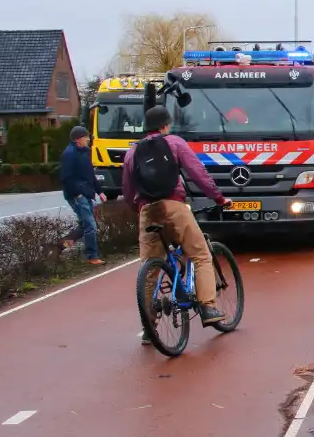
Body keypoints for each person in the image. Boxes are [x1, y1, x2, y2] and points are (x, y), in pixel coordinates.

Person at [123, 106, 232, 334]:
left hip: (147, 211)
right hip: (173, 205)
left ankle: (149, 327)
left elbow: (127, 190)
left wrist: (141, 209)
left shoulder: (132, 152)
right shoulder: (174, 142)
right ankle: (208, 307)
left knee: (150, 268)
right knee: (200, 254)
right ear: (165, 125)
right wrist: (219, 198)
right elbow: (197, 173)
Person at [60, 126, 107, 265]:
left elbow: (90, 176)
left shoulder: (84, 153)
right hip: (78, 196)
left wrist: (100, 191)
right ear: (78, 139)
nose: (88, 139)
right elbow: (66, 178)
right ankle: (92, 256)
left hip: (86, 193)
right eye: (86, 137)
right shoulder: (69, 154)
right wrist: (78, 194)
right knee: (91, 226)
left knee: (85, 225)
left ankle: (62, 245)